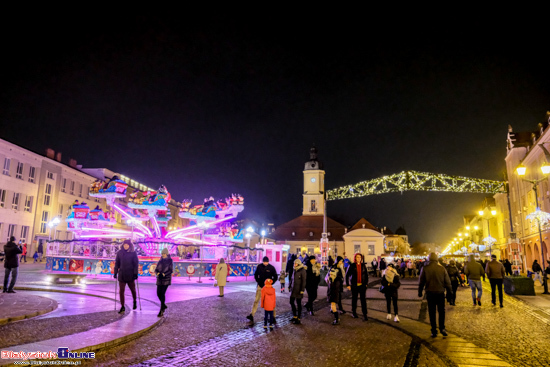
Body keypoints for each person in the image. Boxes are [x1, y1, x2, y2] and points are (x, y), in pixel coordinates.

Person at [418, 253, 452, 338]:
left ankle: (433, 330)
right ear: (436, 259)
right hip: (440, 292)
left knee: (432, 312)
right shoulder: (442, 268)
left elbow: (421, 282)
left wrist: (420, 291)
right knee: (441, 311)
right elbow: (447, 282)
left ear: (428, 259)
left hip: (430, 292)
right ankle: (442, 328)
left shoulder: (425, 268)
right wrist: (449, 293)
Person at [246, 256, 278, 323]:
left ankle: (273, 316)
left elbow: (275, 276)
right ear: (263, 261)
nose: (265, 263)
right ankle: (252, 314)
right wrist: (258, 281)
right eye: (264, 262)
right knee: (256, 300)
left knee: (271, 302)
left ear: (268, 262)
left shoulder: (271, 268)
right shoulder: (259, 266)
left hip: (268, 288)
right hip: (260, 287)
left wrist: (271, 283)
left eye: (266, 262)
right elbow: (256, 275)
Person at [114, 240, 139, 313]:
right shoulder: (119, 253)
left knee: (133, 290)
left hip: (130, 274)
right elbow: (117, 263)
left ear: (129, 245)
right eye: (124, 245)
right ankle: (122, 306)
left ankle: (134, 300)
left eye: (127, 245)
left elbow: (135, 264)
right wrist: (115, 272)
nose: (125, 246)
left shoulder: (133, 253)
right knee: (121, 291)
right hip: (122, 274)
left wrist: (135, 274)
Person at [346, 253, 369, 321]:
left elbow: (366, 275)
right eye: (357, 257)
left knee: (363, 300)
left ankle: (365, 314)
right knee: (354, 299)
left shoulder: (363, 265)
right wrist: (348, 284)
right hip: (354, 285)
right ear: (355, 258)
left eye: (360, 257)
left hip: (362, 286)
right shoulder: (352, 265)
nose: (359, 258)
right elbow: (347, 275)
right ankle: (354, 312)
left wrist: (366, 284)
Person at [327, 256, 345, 325]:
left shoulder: (338, 268)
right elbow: (331, 278)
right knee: (333, 303)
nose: (341, 262)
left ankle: (336, 318)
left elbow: (341, 278)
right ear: (338, 261)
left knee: (333, 303)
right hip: (333, 288)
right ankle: (336, 318)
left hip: (336, 287)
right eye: (340, 261)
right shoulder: (334, 268)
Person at [155, 248, 173, 317]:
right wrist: (158, 273)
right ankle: (163, 305)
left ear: (167, 254)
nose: (163, 255)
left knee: (162, 293)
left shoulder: (170, 261)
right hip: (159, 279)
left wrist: (164, 274)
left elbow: (171, 270)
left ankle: (161, 309)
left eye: (164, 254)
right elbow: (156, 269)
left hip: (166, 279)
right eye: (162, 254)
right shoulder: (160, 261)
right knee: (158, 293)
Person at [289, 258, 307, 324]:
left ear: (298, 264)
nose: (294, 264)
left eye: (295, 263)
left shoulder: (302, 270)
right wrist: (289, 286)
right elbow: (292, 279)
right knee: (291, 302)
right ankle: (294, 315)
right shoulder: (295, 270)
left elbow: (304, 281)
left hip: (299, 290)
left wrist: (302, 290)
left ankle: (298, 318)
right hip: (293, 289)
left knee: (299, 304)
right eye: (294, 263)